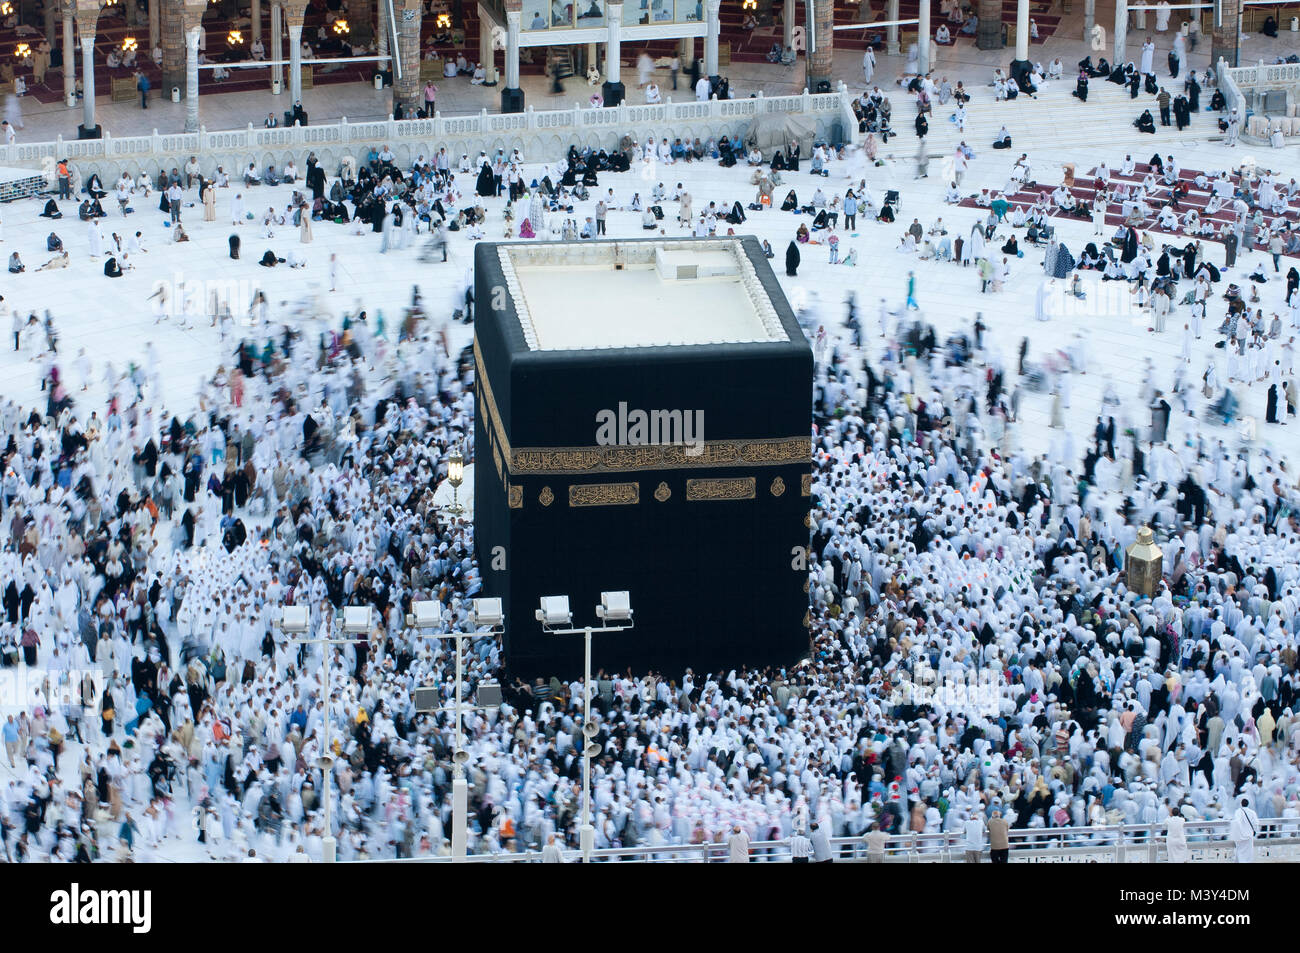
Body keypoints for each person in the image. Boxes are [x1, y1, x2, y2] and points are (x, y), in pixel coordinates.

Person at [1229, 796, 1258, 862]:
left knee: (1239, 850)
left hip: (1240, 835)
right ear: (1248, 804)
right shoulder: (1252, 812)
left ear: (1241, 804)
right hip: (1249, 835)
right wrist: (1254, 831)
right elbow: (1255, 823)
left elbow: (1236, 822)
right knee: (1248, 851)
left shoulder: (1238, 812)